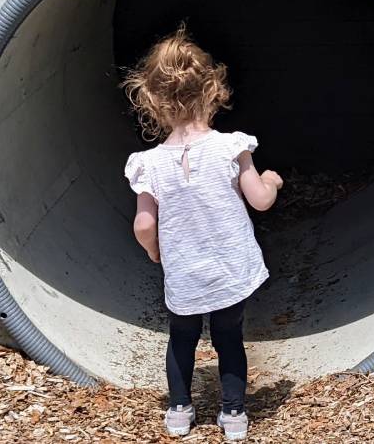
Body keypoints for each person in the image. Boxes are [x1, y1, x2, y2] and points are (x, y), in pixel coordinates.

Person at [122, 27, 284, 440]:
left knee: (182, 338)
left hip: (185, 273)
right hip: (229, 269)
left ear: (153, 100)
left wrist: (155, 252)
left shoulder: (148, 164)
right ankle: (232, 416)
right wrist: (272, 180)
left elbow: (143, 224)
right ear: (213, 90)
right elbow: (260, 200)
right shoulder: (232, 147)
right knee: (229, 335)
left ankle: (178, 411)